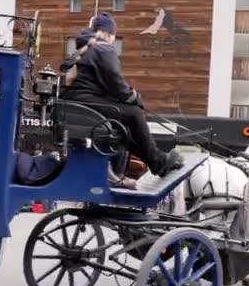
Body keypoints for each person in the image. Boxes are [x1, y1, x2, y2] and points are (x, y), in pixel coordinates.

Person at [61, 13, 183, 179]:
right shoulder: (103, 48)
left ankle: (157, 160)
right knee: (134, 114)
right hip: (85, 103)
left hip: (77, 103)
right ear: (109, 34)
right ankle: (158, 162)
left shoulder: (84, 49)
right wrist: (134, 98)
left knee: (123, 130)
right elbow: (115, 82)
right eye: (114, 35)